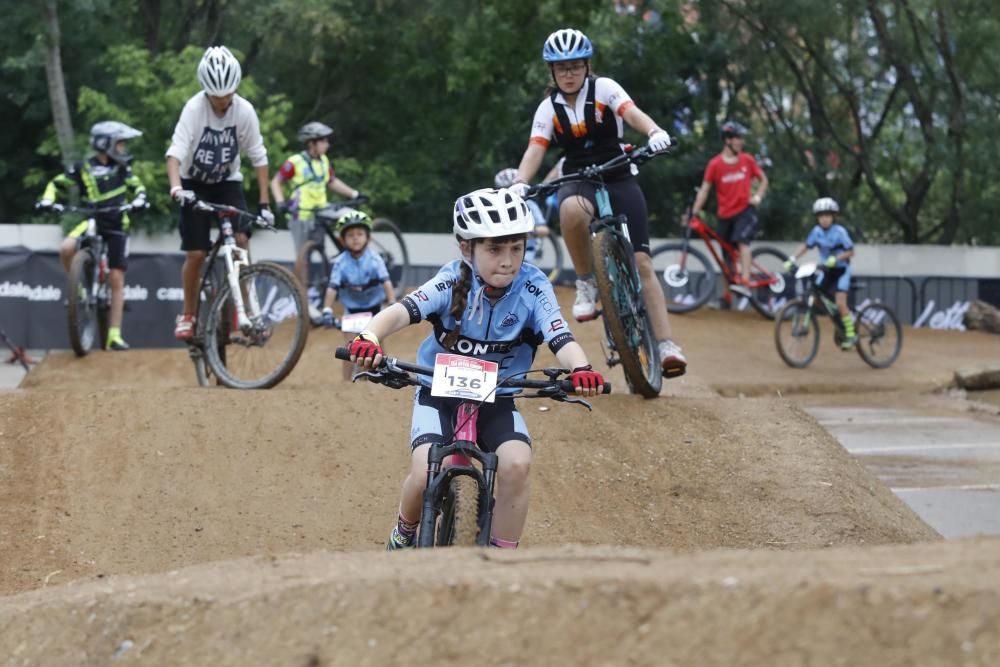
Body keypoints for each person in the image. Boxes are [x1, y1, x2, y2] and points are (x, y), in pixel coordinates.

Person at [345, 187, 606, 550]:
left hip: (497, 399)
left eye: (517, 248)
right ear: (467, 248)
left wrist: (582, 368)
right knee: (423, 473)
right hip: (439, 394)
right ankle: (403, 533)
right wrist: (369, 336)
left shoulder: (534, 285)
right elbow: (402, 310)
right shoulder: (450, 280)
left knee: (517, 465)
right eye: (495, 249)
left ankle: (500, 560)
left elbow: (560, 336)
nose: (508, 260)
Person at [512, 28, 687, 378]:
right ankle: (586, 282)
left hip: (618, 173)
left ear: (587, 66)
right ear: (552, 72)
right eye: (562, 69)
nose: (569, 74)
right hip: (579, 178)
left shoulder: (605, 88)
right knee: (570, 209)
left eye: (575, 66)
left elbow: (632, 112)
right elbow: (536, 147)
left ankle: (666, 345)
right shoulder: (548, 108)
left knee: (642, 263)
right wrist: (520, 182)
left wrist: (653, 133)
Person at [165, 45, 273, 341]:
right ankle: (188, 314)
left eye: (227, 96)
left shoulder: (245, 111)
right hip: (192, 183)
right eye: (216, 97)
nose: (222, 102)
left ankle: (249, 311)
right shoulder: (193, 109)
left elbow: (258, 157)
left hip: (227, 182)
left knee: (240, 240)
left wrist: (264, 203)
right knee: (197, 253)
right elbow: (175, 154)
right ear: (206, 91)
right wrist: (176, 188)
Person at [35, 121, 148, 351]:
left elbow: (139, 188)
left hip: (117, 224)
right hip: (93, 219)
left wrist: (139, 200)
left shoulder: (123, 169)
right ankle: (77, 288)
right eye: (120, 144)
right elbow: (56, 183)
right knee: (67, 247)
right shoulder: (84, 167)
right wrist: (48, 199)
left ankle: (114, 335)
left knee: (116, 278)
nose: (123, 149)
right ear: (106, 144)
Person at [269, 121, 364, 290]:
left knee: (353, 218)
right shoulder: (295, 161)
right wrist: (280, 201)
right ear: (312, 143)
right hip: (301, 215)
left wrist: (354, 194)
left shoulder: (324, 161)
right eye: (324, 140)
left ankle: (357, 262)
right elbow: (276, 182)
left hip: (322, 210)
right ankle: (304, 298)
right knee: (303, 259)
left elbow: (332, 181)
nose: (327, 144)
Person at [690, 121, 769, 299]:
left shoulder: (747, 160)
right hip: (725, 215)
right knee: (726, 257)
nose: (741, 142)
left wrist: (758, 197)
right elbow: (704, 189)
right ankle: (728, 294)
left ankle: (746, 282)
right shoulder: (715, 164)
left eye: (741, 138)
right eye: (738, 138)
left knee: (742, 242)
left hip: (745, 211)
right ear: (727, 140)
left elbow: (763, 179)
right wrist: (694, 212)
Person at [320, 209, 396, 380]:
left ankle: (384, 375)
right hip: (352, 309)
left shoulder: (375, 259)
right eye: (350, 235)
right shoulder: (340, 262)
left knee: (378, 341)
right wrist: (326, 309)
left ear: (368, 238)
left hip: (374, 308)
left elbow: (387, 282)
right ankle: (346, 382)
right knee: (349, 345)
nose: (355, 238)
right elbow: (332, 288)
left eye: (360, 234)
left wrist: (392, 302)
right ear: (342, 240)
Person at [783, 197, 856, 348]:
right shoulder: (816, 232)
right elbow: (806, 246)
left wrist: (836, 258)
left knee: (840, 302)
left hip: (841, 270)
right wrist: (792, 258)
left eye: (827, 215)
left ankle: (851, 333)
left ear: (833, 217)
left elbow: (850, 252)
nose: (824, 219)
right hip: (826, 270)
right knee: (815, 298)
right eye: (821, 216)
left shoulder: (840, 232)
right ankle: (833, 317)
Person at [494, 167, 549, 264]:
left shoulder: (530, 205)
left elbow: (544, 230)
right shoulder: (495, 207)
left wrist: (526, 233)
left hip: (526, 251)